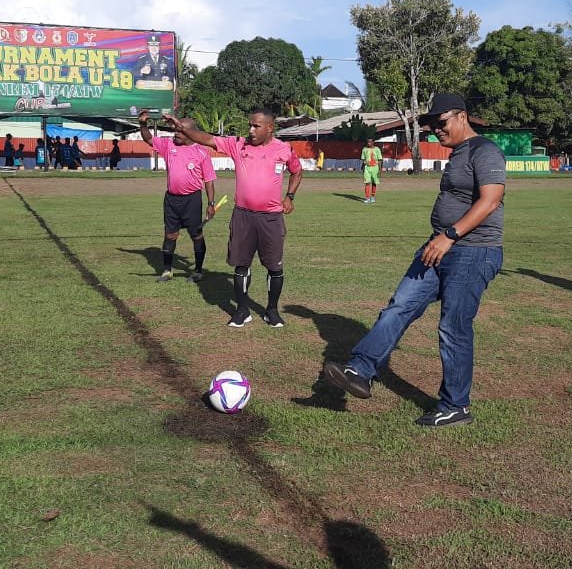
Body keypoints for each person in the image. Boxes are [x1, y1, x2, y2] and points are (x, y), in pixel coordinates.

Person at [322, 94, 506, 427]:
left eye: (441, 123)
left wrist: (450, 236)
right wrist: (443, 238)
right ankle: (359, 371)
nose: (436, 131)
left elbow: (491, 200)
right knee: (399, 306)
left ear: (461, 116)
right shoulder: (459, 154)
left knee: (453, 327)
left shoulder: (485, 151)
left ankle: (455, 406)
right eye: (431, 125)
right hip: (439, 246)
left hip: (473, 250)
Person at [164, 108, 302, 328]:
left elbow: (297, 170)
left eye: (256, 126)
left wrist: (290, 196)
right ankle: (241, 310)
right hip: (243, 217)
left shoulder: (284, 149)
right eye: (250, 125)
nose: (251, 130)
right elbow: (207, 139)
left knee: (275, 267)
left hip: (271, 219)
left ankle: (272, 311)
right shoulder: (239, 144)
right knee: (241, 265)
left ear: (270, 127)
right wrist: (181, 127)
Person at [140, 110, 217, 282]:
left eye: (180, 130)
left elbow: (209, 180)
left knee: (196, 235)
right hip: (172, 200)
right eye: (175, 130)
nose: (175, 133)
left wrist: (211, 203)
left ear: (190, 133)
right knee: (170, 235)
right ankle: (167, 271)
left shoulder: (202, 152)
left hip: (192, 200)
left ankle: (197, 271)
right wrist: (143, 124)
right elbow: (148, 139)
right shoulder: (168, 145)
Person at [361, 137, 382, 203]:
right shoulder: (364, 149)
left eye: (370, 142)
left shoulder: (377, 149)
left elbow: (380, 160)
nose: (368, 143)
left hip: (375, 168)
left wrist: (380, 170)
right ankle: (367, 198)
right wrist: (363, 167)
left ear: (373, 142)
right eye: (367, 142)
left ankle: (372, 197)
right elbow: (363, 159)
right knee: (367, 183)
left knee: (374, 183)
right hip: (367, 167)